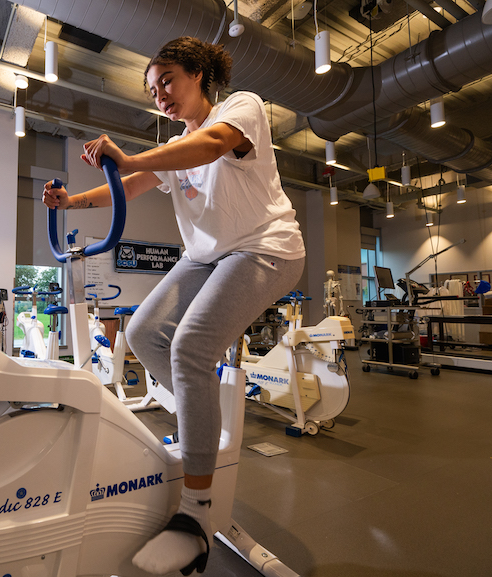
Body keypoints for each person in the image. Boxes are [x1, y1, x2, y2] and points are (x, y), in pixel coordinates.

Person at [43, 37, 306, 575]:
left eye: (167, 80)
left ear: (199, 75)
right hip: (207, 255)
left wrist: (131, 154)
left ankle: (197, 513)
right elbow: (130, 185)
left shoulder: (241, 109)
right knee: (142, 333)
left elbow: (210, 147)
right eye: (152, 87)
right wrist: (70, 202)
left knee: (188, 347)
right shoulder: (174, 146)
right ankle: (201, 412)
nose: (159, 94)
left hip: (265, 247)